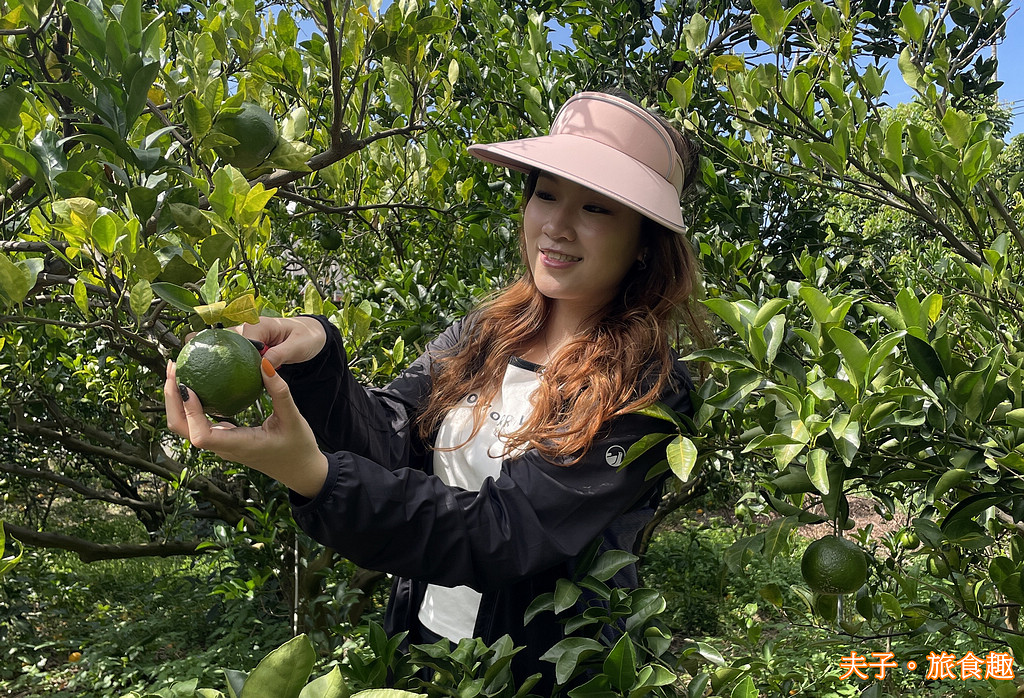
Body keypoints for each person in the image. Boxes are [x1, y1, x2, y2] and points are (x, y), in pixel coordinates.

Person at [164, 90, 707, 689]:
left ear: (644, 244)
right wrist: (319, 356)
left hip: (542, 671)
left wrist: (316, 478)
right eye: (545, 194)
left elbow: (504, 533)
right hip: (426, 650)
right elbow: (395, 437)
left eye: (596, 209)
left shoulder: (646, 388)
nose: (555, 224)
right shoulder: (488, 333)